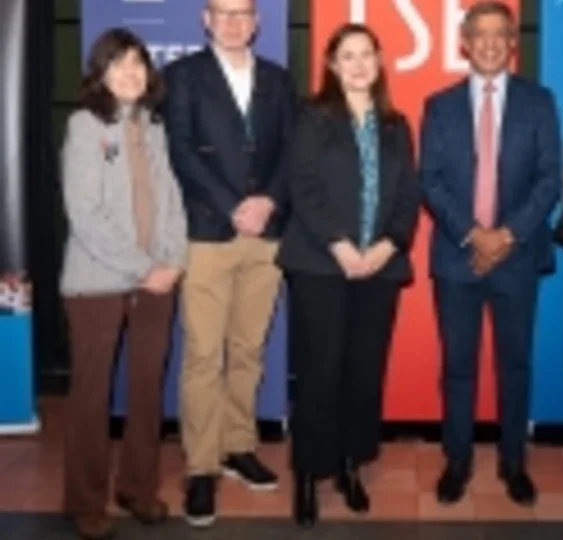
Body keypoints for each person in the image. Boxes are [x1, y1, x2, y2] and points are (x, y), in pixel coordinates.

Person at [278, 23, 420, 527]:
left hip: (380, 267)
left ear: (380, 63)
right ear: (332, 66)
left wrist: (387, 245)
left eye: (367, 55)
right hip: (321, 263)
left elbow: (408, 194)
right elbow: (303, 185)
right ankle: (308, 474)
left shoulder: (396, 125)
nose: (359, 65)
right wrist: (340, 245)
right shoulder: (313, 118)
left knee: (364, 369)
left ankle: (349, 464)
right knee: (320, 370)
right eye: (348, 56)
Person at [420, 1, 561, 506]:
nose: (490, 43)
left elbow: (549, 179)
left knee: (514, 364)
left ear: (512, 42)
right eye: (480, 34)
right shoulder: (440, 105)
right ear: (464, 41)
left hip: (517, 256)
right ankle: (457, 460)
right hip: (457, 257)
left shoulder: (538, 101)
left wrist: (505, 236)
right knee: (458, 366)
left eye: (500, 34)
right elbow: (430, 180)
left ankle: (513, 461)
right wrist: (474, 235)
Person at [162, 0, 296, 527]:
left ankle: (239, 445)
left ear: (257, 21)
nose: (235, 22)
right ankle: (201, 466)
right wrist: (232, 205)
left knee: (247, 348)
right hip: (208, 233)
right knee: (202, 353)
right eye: (224, 12)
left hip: (266, 235)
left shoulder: (279, 80)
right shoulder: (181, 76)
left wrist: (268, 202)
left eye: (244, 13)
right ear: (206, 20)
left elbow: (291, 150)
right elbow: (180, 151)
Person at [60, 28, 187, 540]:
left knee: (146, 390)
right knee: (91, 397)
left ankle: (138, 488)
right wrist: (143, 267)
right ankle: (86, 501)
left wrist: (174, 259)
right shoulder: (86, 125)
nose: (130, 73)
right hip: (98, 283)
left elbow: (171, 199)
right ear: (101, 73)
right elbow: (85, 215)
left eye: (137, 63)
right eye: (119, 64)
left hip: (158, 280)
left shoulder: (152, 124)